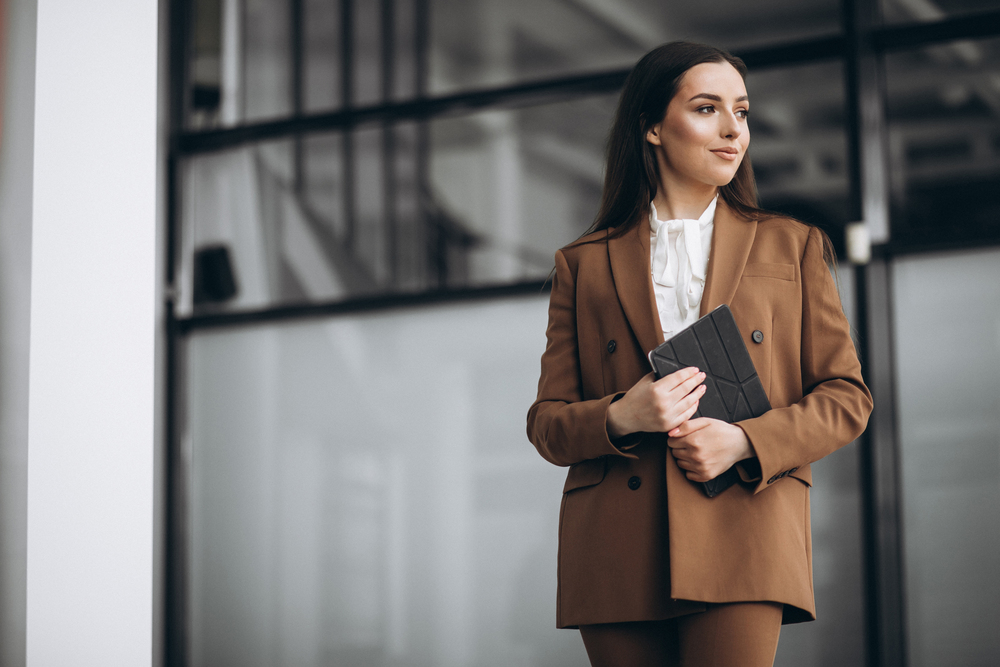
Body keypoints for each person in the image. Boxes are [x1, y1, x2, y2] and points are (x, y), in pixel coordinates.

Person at [525, 42, 873, 667]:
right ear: (653, 127)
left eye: (741, 111)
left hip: (744, 524)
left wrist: (746, 443)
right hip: (616, 541)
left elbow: (847, 399)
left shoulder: (793, 247)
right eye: (708, 108)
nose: (733, 129)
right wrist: (622, 415)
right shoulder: (582, 265)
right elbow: (547, 424)